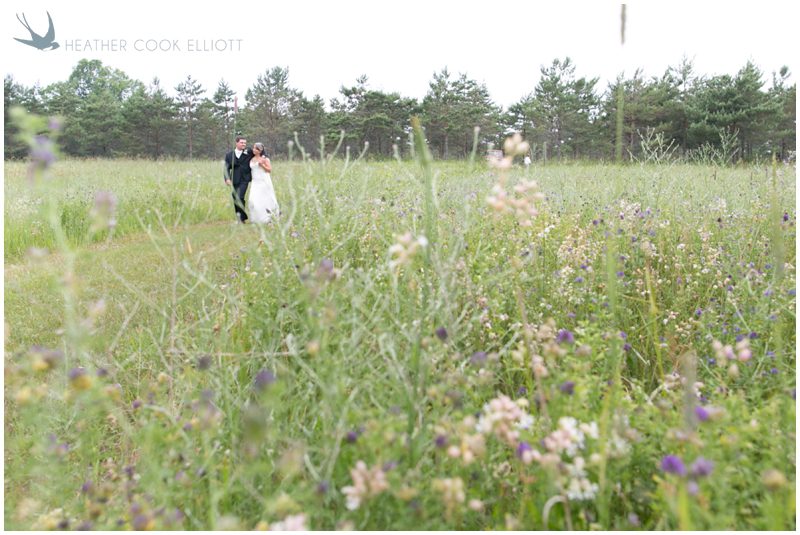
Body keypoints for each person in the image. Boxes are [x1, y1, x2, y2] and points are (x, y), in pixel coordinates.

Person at [247, 142, 279, 223]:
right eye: (253, 148)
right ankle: (256, 218)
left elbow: (269, 170)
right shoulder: (252, 159)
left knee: (265, 199)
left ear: (260, 150)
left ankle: (268, 218)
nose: (253, 150)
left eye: (255, 148)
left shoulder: (265, 159)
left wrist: (262, 165)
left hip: (263, 181)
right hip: (255, 182)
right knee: (252, 200)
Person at [224, 136, 253, 223]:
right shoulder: (229, 155)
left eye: (245, 143)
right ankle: (240, 217)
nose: (244, 144)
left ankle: (241, 219)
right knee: (235, 198)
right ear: (236, 143)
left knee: (240, 197)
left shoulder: (249, 153)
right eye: (242, 142)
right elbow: (226, 168)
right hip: (234, 179)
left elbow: (259, 152)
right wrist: (227, 179)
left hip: (245, 179)